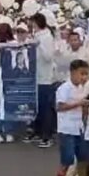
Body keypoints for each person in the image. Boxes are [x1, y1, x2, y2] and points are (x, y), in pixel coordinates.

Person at [52, 59, 89, 176]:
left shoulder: (83, 89)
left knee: (83, 160)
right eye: (81, 74)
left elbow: (84, 107)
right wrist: (79, 104)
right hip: (66, 130)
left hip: (80, 129)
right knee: (66, 162)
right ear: (73, 73)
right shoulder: (64, 89)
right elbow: (59, 107)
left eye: (86, 74)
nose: (84, 77)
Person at [30, 13, 57, 148]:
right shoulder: (36, 36)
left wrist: (39, 45)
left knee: (46, 108)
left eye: (33, 22)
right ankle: (38, 131)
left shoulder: (47, 37)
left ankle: (47, 136)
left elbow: (48, 57)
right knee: (37, 107)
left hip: (45, 78)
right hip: (35, 77)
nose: (32, 25)